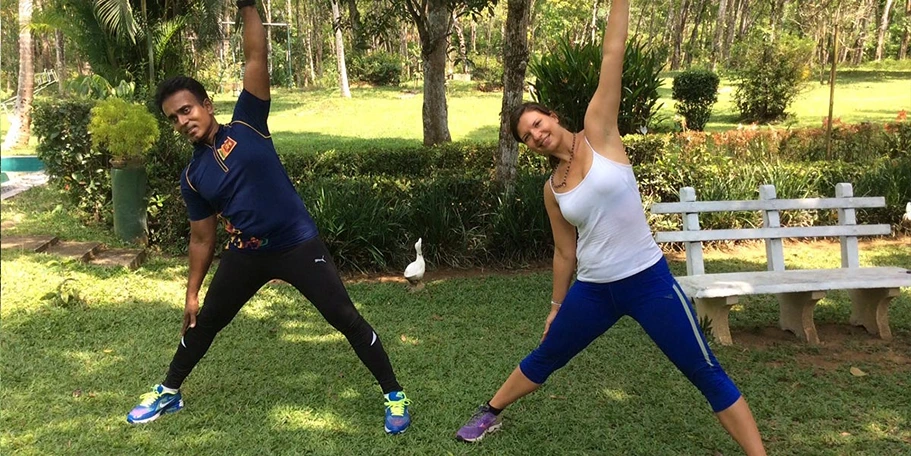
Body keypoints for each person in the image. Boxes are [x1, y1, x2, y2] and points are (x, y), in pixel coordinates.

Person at [454, 1, 766, 453]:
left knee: (704, 370)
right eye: (527, 136)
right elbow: (565, 252)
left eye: (537, 123)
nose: (536, 135)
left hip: (647, 281)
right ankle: (490, 411)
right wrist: (557, 305)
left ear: (553, 116)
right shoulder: (552, 189)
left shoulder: (599, 131)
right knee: (547, 355)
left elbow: (612, 53)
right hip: (594, 290)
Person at [126, 0, 411, 435]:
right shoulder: (193, 178)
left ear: (206, 105)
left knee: (345, 317)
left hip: (297, 243)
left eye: (186, 110)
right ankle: (169, 391)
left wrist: (247, 6)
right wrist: (191, 294)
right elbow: (202, 240)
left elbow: (255, 56)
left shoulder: (248, 123)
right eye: (173, 119)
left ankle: (393, 394)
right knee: (205, 322)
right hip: (247, 254)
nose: (182, 121)